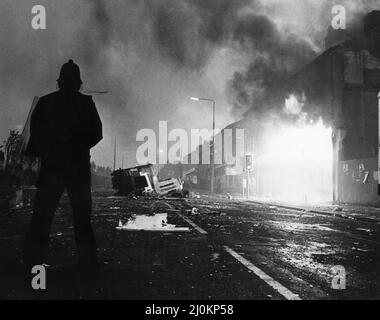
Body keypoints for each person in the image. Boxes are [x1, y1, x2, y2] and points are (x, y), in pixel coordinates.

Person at [23, 59, 103, 270]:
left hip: (52, 167)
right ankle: (87, 262)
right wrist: (78, 146)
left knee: (42, 216)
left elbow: (36, 135)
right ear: (78, 82)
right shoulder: (86, 104)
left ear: (60, 81)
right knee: (82, 218)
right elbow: (97, 133)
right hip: (77, 168)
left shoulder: (46, 103)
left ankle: (32, 261)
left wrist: (50, 150)